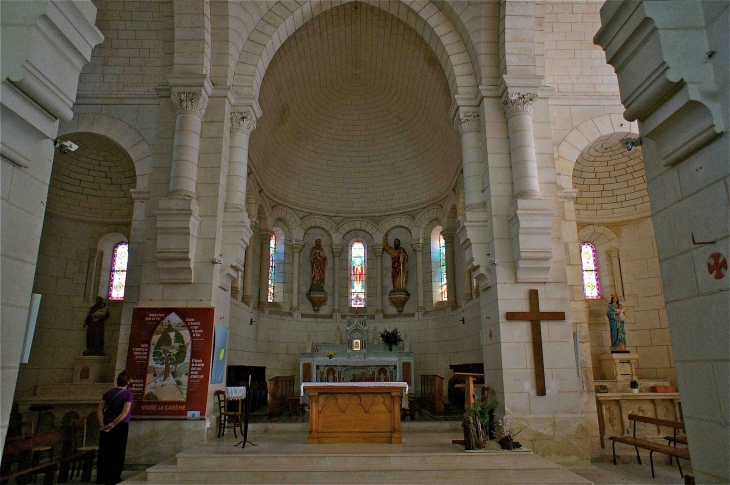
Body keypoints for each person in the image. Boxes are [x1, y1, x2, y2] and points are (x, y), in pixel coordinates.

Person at [96, 370, 134, 485]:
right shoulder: (128, 394)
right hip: (119, 426)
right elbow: (125, 411)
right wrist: (113, 424)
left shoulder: (108, 393)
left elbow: (99, 409)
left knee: (105, 451)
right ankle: (114, 477)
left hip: (106, 424)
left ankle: (102, 477)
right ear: (127, 381)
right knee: (118, 451)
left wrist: (102, 424)